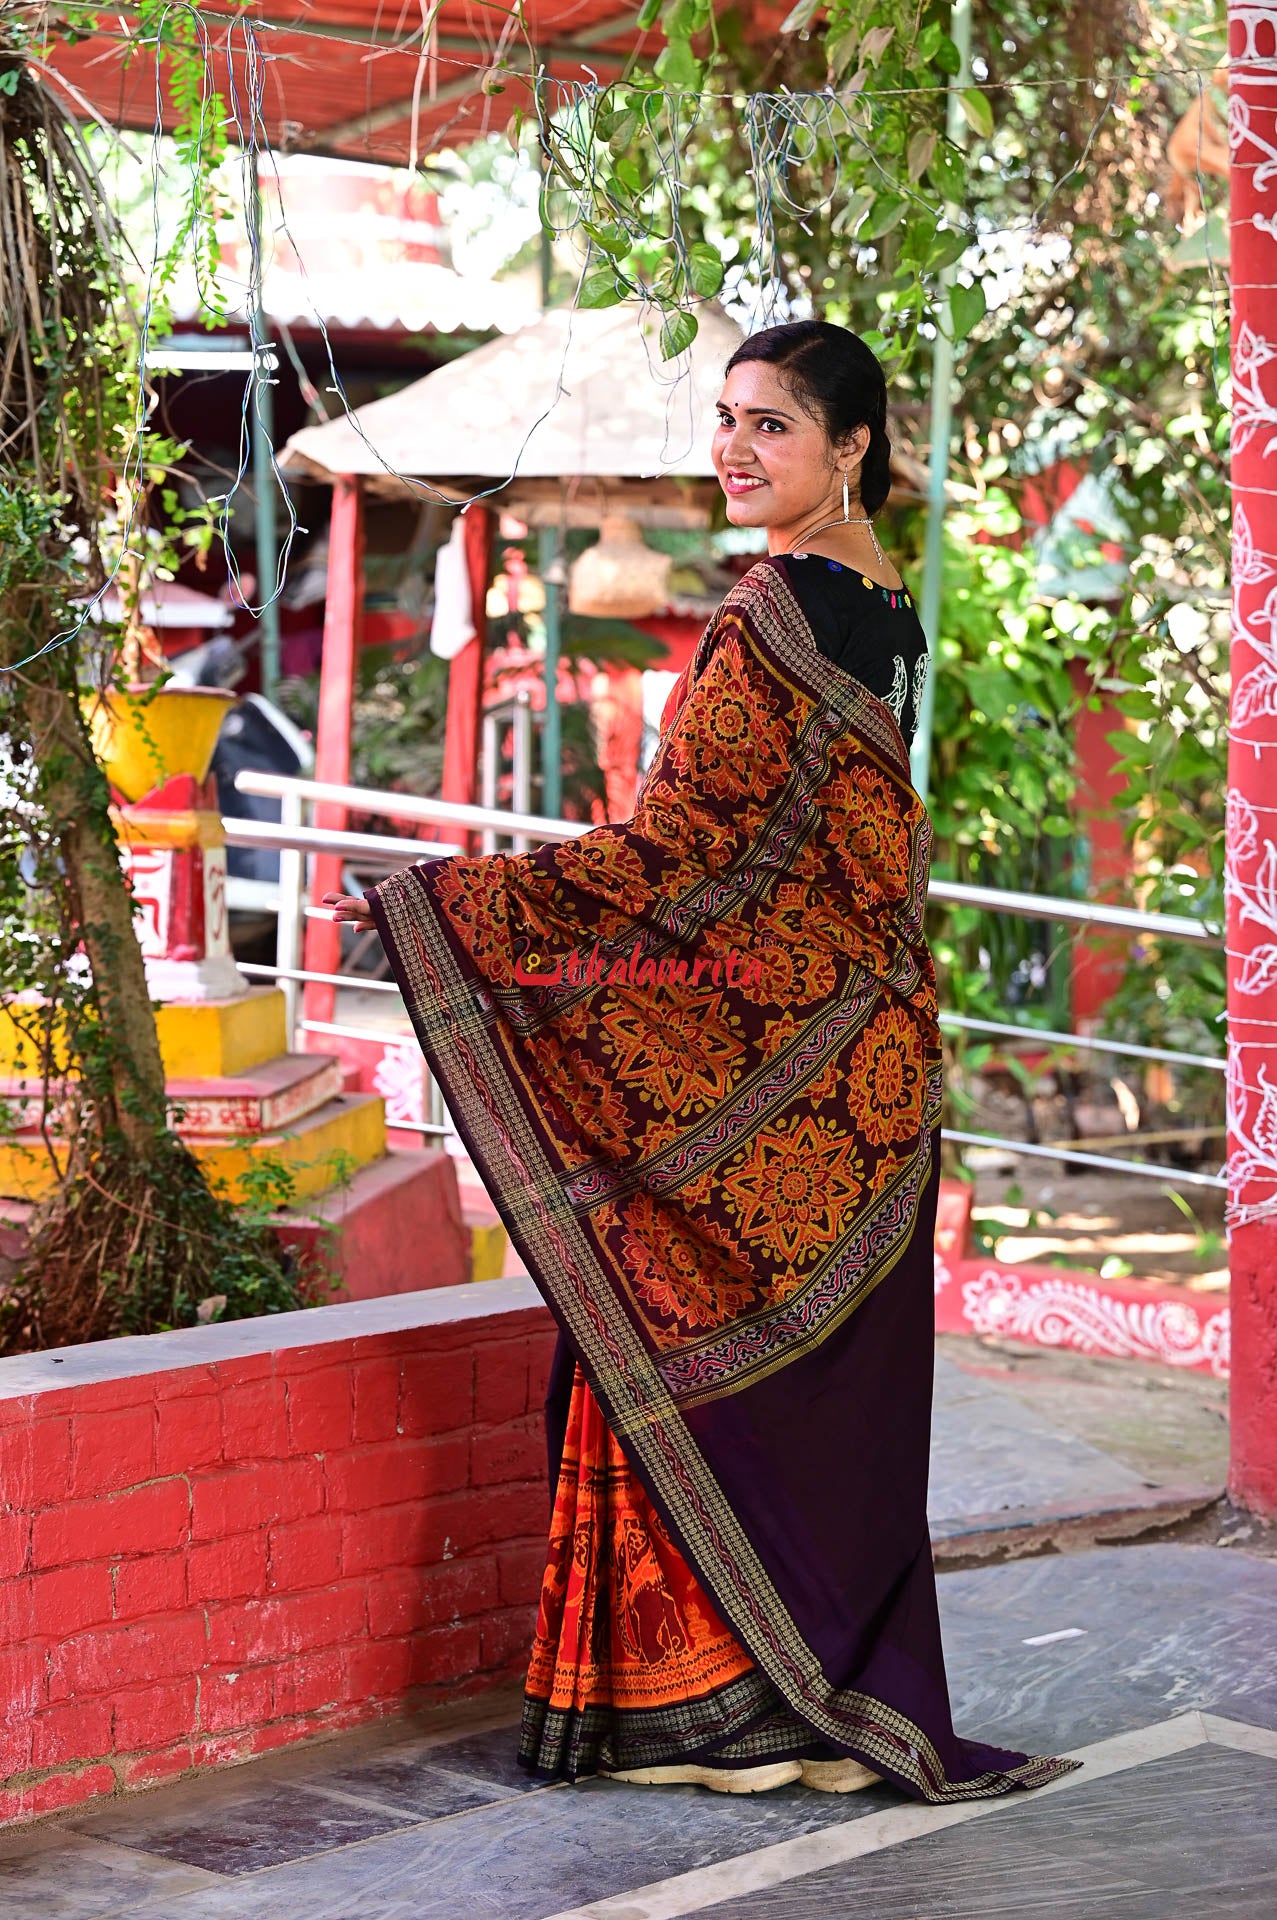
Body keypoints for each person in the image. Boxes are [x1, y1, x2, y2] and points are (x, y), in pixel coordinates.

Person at [325, 319, 1080, 1803]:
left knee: (653, 1333)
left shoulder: (771, 611)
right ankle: (824, 1715)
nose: (732, 449)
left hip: (783, 1074)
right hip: (866, 1070)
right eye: (724, 419)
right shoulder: (884, 611)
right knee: (823, 1406)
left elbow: (677, 856)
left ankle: (718, 1717)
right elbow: (828, 873)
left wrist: (447, 903)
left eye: (771, 427)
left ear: (850, 445)